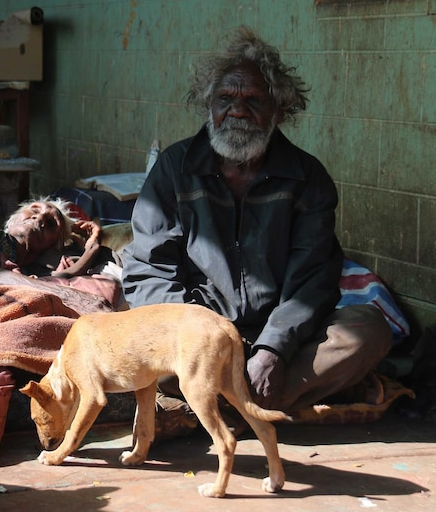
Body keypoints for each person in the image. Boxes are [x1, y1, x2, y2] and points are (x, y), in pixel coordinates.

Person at [121, 26, 393, 417]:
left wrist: (273, 348)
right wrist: (198, 340)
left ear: (279, 111)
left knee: (367, 331)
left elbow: (312, 280)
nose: (237, 110)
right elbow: (148, 269)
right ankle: (259, 406)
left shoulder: (307, 177)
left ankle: (221, 407)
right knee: (128, 339)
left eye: (253, 100)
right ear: (209, 106)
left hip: (283, 338)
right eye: (225, 98)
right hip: (198, 334)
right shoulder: (173, 170)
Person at [0, 196, 114, 315]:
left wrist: (93, 245)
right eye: (34, 210)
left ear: (52, 246)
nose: (39, 217)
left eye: (50, 224)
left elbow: (63, 277)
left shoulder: (23, 272)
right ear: (13, 220)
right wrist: (67, 295)